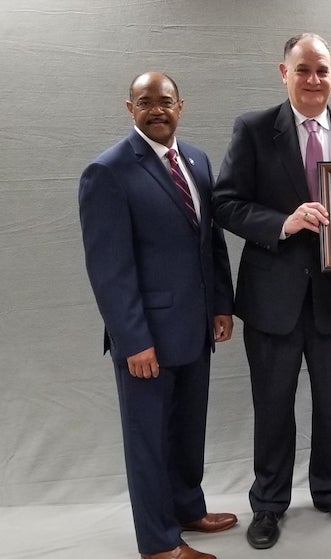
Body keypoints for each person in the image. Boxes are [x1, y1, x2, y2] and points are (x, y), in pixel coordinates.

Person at [212, 33, 331, 550]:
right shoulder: (255, 129)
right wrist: (284, 222)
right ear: (282, 72)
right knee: (273, 405)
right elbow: (225, 203)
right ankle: (268, 503)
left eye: (322, 70)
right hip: (272, 299)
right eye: (303, 70)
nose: (313, 80)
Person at [79, 72, 237, 559]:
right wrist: (132, 341)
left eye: (165, 101)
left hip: (196, 329)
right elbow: (109, 269)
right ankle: (160, 542)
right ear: (130, 109)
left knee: (188, 430)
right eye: (145, 102)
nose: (156, 110)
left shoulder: (196, 160)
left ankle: (188, 509)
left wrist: (221, 304)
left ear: (180, 106)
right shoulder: (107, 171)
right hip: (146, 339)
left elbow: (209, 240)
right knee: (148, 442)